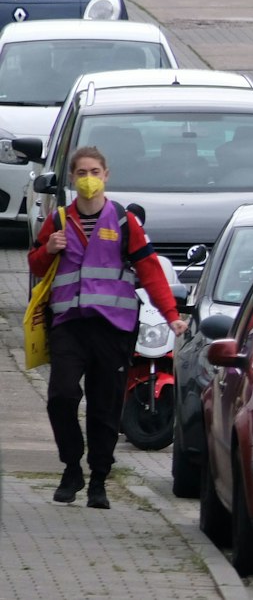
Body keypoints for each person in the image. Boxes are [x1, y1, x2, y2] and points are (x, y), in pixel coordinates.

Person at [28, 146, 185, 508]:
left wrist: (171, 314)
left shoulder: (124, 222)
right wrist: (48, 249)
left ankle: (98, 479)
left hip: (113, 329)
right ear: (72, 178)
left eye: (94, 172)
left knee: (105, 406)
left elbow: (150, 271)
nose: (88, 179)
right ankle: (72, 466)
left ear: (106, 176)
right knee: (61, 396)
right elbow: (36, 266)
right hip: (68, 325)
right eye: (82, 173)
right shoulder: (58, 220)